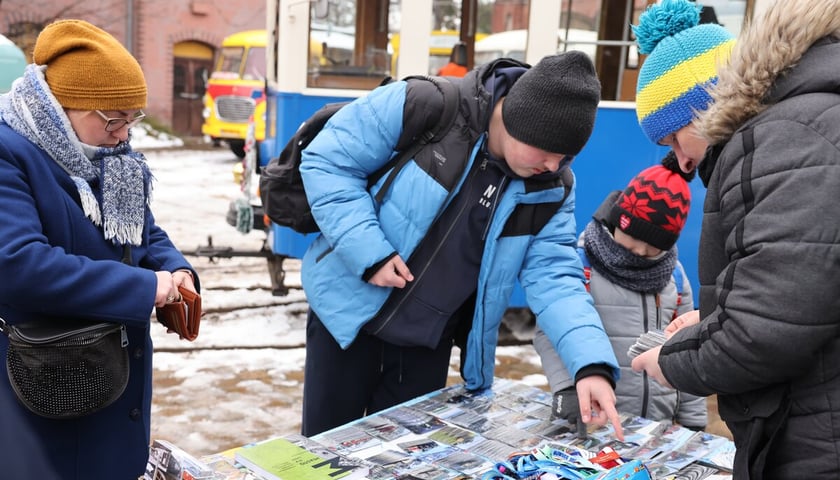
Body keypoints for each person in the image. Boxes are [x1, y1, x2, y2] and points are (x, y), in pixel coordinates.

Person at [299, 51, 625, 440]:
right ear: (516, 121)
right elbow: (327, 161)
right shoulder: (425, 104)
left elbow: (556, 278)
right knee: (324, 454)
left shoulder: (552, 187)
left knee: (404, 461)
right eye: (547, 151)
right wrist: (370, 253)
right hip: (345, 325)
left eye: (566, 156)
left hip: (425, 347)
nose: (554, 166)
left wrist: (590, 365)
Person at [630, 0, 840, 477]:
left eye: (673, 139)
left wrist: (673, 362)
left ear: (702, 107)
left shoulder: (788, 137)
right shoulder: (802, 125)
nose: (681, 162)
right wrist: (716, 315)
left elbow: (767, 327)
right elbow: (799, 283)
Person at [0, 19, 198, 479]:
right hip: (44, 382)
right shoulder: (9, 153)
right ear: (61, 106)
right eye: (113, 119)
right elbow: (19, 265)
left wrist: (176, 269)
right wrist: (143, 287)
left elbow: (141, 232)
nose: (124, 134)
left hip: (113, 382)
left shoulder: (111, 155)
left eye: (132, 118)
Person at [534, 153, 707, 433]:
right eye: (634, 238)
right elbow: (550, 333)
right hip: (595, 420)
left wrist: (694, 421)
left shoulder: (674, 278)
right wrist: (567, 389)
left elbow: (688, 349)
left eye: (653, 247)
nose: (639, 251)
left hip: (656, 428)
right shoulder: (581, 266)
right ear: (619, 221)